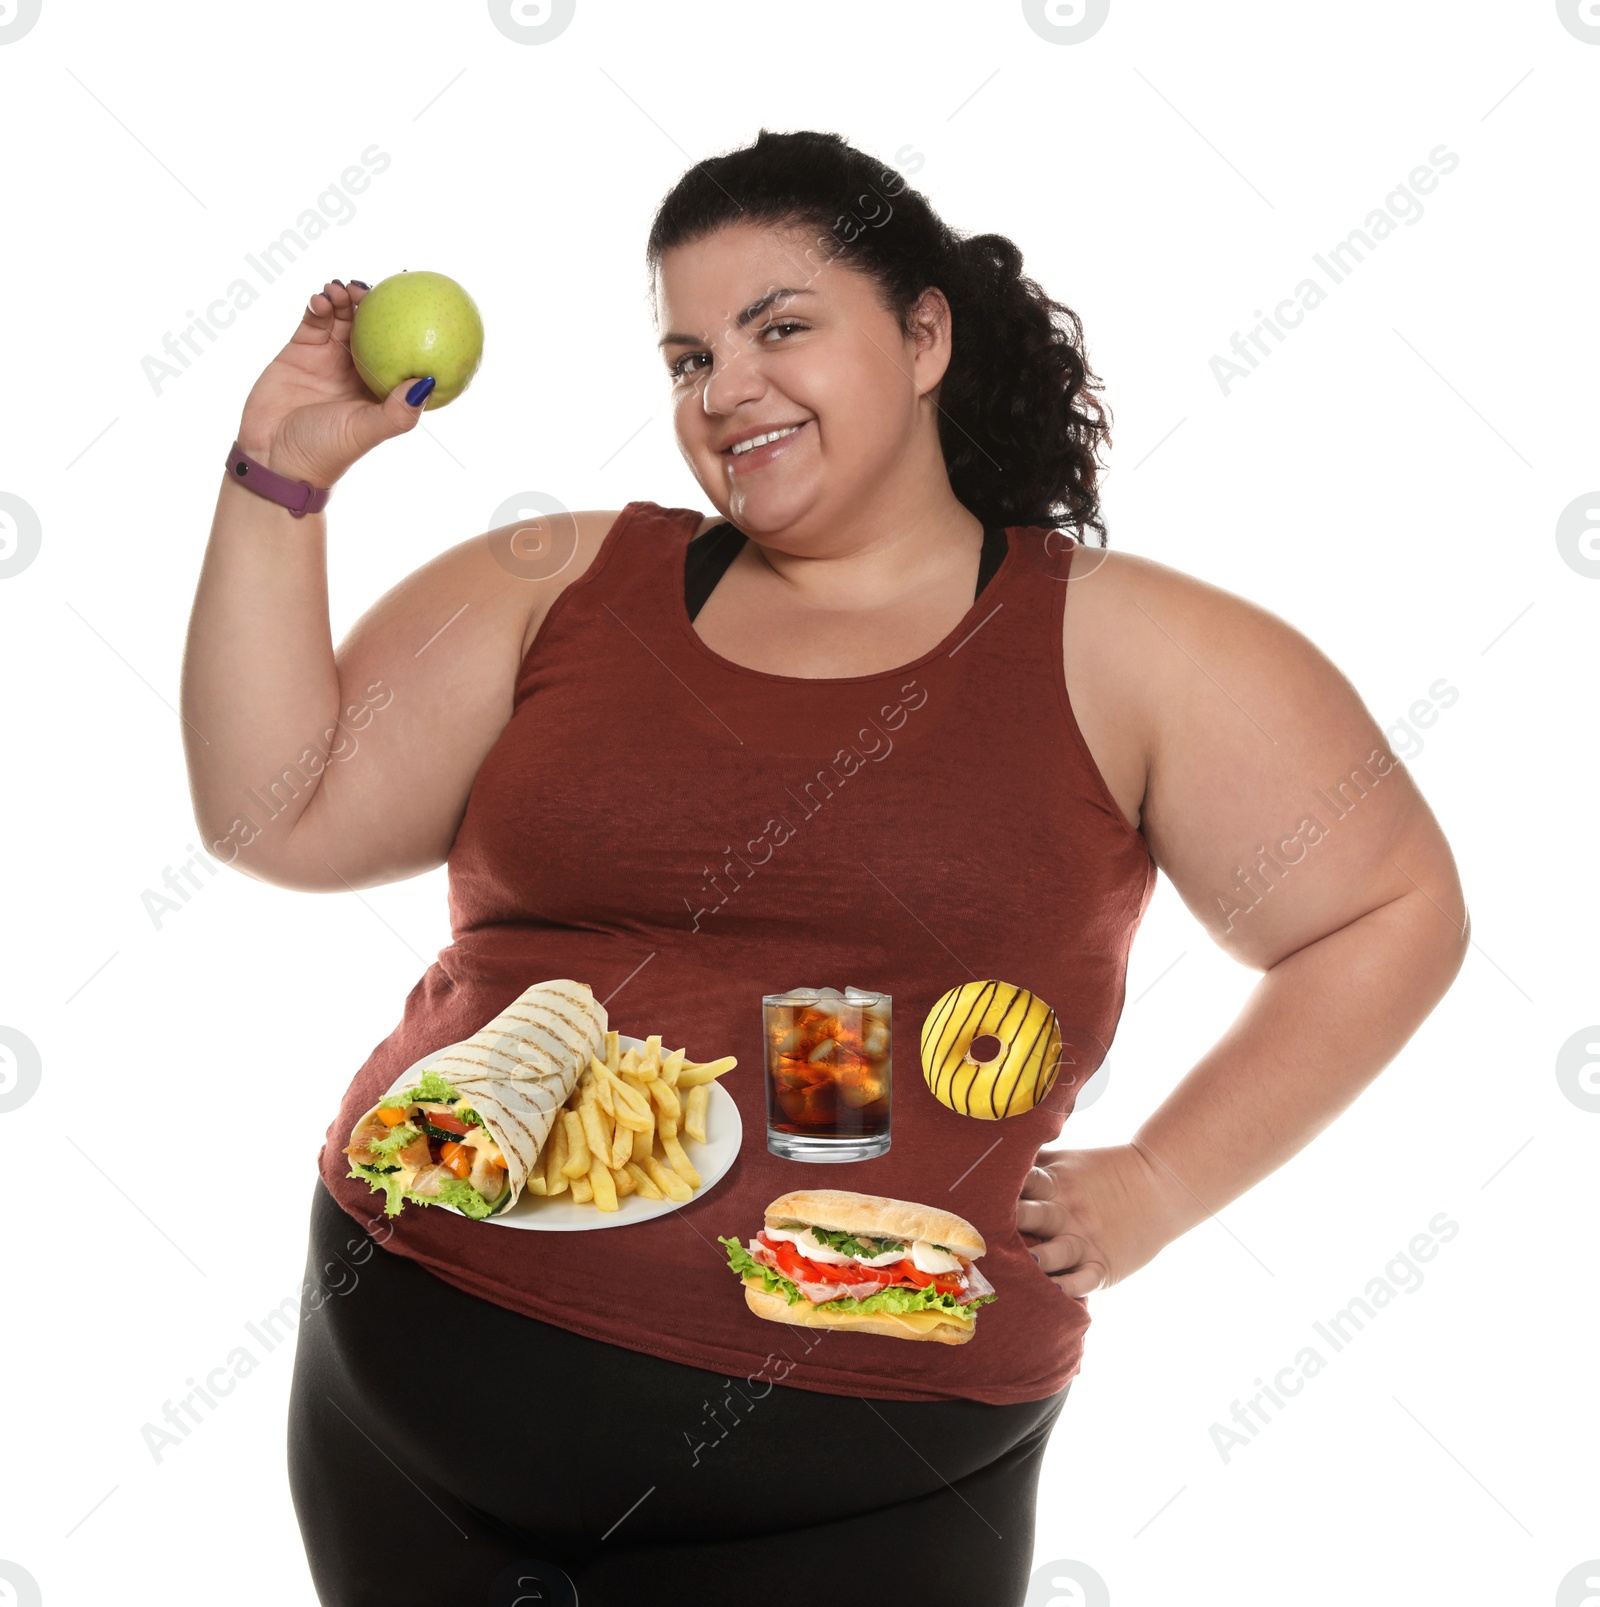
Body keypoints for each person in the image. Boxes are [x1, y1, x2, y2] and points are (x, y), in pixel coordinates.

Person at [180, 128, 1470, 1607]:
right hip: (407, 1396)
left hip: (860, 1486)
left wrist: (1162, 1183)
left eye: (778, 327)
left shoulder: (1135, 648)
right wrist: (276, 478)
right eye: (685, 356)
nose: (724, 389)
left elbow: (1390, 911)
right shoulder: (554, 583)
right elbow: (273, 815)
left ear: (923, 335)